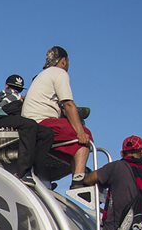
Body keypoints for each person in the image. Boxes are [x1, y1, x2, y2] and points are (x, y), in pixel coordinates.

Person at [20, 46, 91, 185]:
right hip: (42, 122)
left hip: (30, 122)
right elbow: (68, 104)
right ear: (64, 61)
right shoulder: (59, 73)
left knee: (72, 137)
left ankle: (76, 173)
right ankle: (79, 180)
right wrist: (80, 131)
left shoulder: (42, 75)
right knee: (85, 134)